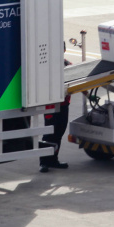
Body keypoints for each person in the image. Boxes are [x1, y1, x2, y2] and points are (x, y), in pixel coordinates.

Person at [40, 45, 72, 173]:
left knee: (59, 132)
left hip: (64, 105)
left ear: (64, 50)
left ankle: (53, 160)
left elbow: (77, 82)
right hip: (51, 106)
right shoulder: (46, 65)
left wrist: (88, 95)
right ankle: (44, 162)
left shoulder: (68, 65)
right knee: (49, 133)